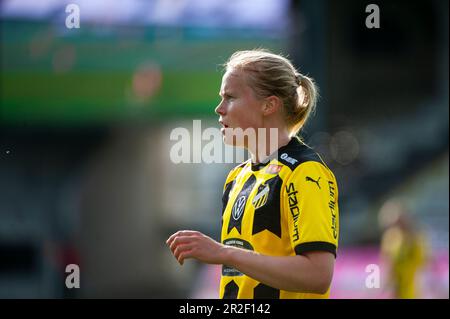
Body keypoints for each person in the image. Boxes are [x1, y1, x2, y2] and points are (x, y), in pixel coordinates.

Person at [167, 49, 339, 299]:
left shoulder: (305, 172)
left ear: (269, 104)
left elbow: (318, 275)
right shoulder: (237, 178)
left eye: (230, 97)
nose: (219, 108)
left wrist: (224, 253)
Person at [378, 198, 427, 299]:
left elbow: (421, 261)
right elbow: (387, 261)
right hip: (395, 286)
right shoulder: (390, 236)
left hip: (411, 287)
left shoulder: (415, 238)